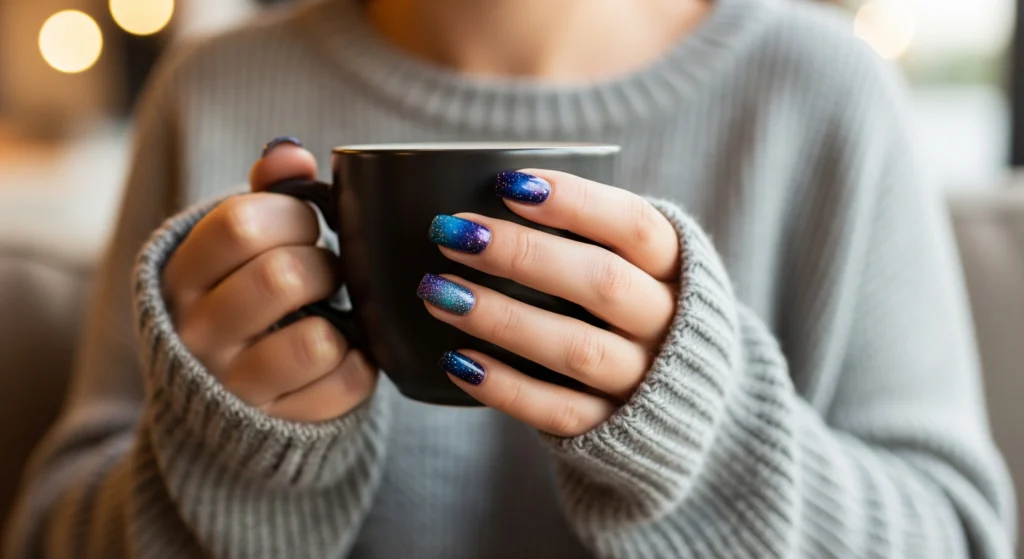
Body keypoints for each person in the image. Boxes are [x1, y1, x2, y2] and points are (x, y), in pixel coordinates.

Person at [3, 0, 1017, 556]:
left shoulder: (824, 94)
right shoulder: (211, 88)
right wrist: (224, 469)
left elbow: (963, 538)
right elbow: (49, 533)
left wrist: (703, 442)